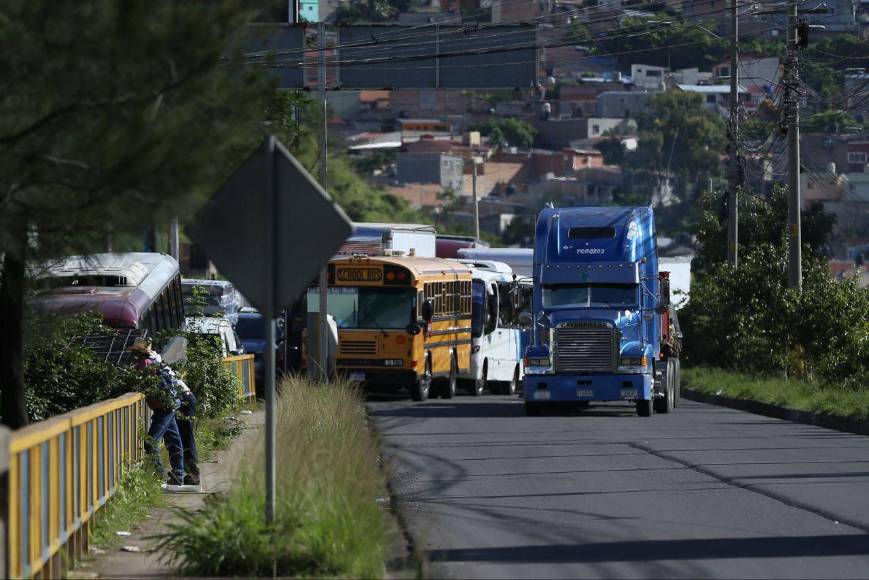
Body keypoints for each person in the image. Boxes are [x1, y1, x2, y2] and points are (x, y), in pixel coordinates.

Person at [130, 338, 185, 487]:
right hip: (170, 403)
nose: (133, 355)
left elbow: (137, 384)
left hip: (164, 406)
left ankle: (159, 476)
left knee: (151, 441)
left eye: (135, 352)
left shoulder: (145, 364)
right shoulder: (156, 362)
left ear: (140, 353)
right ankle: (178, 474)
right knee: (173, 440)